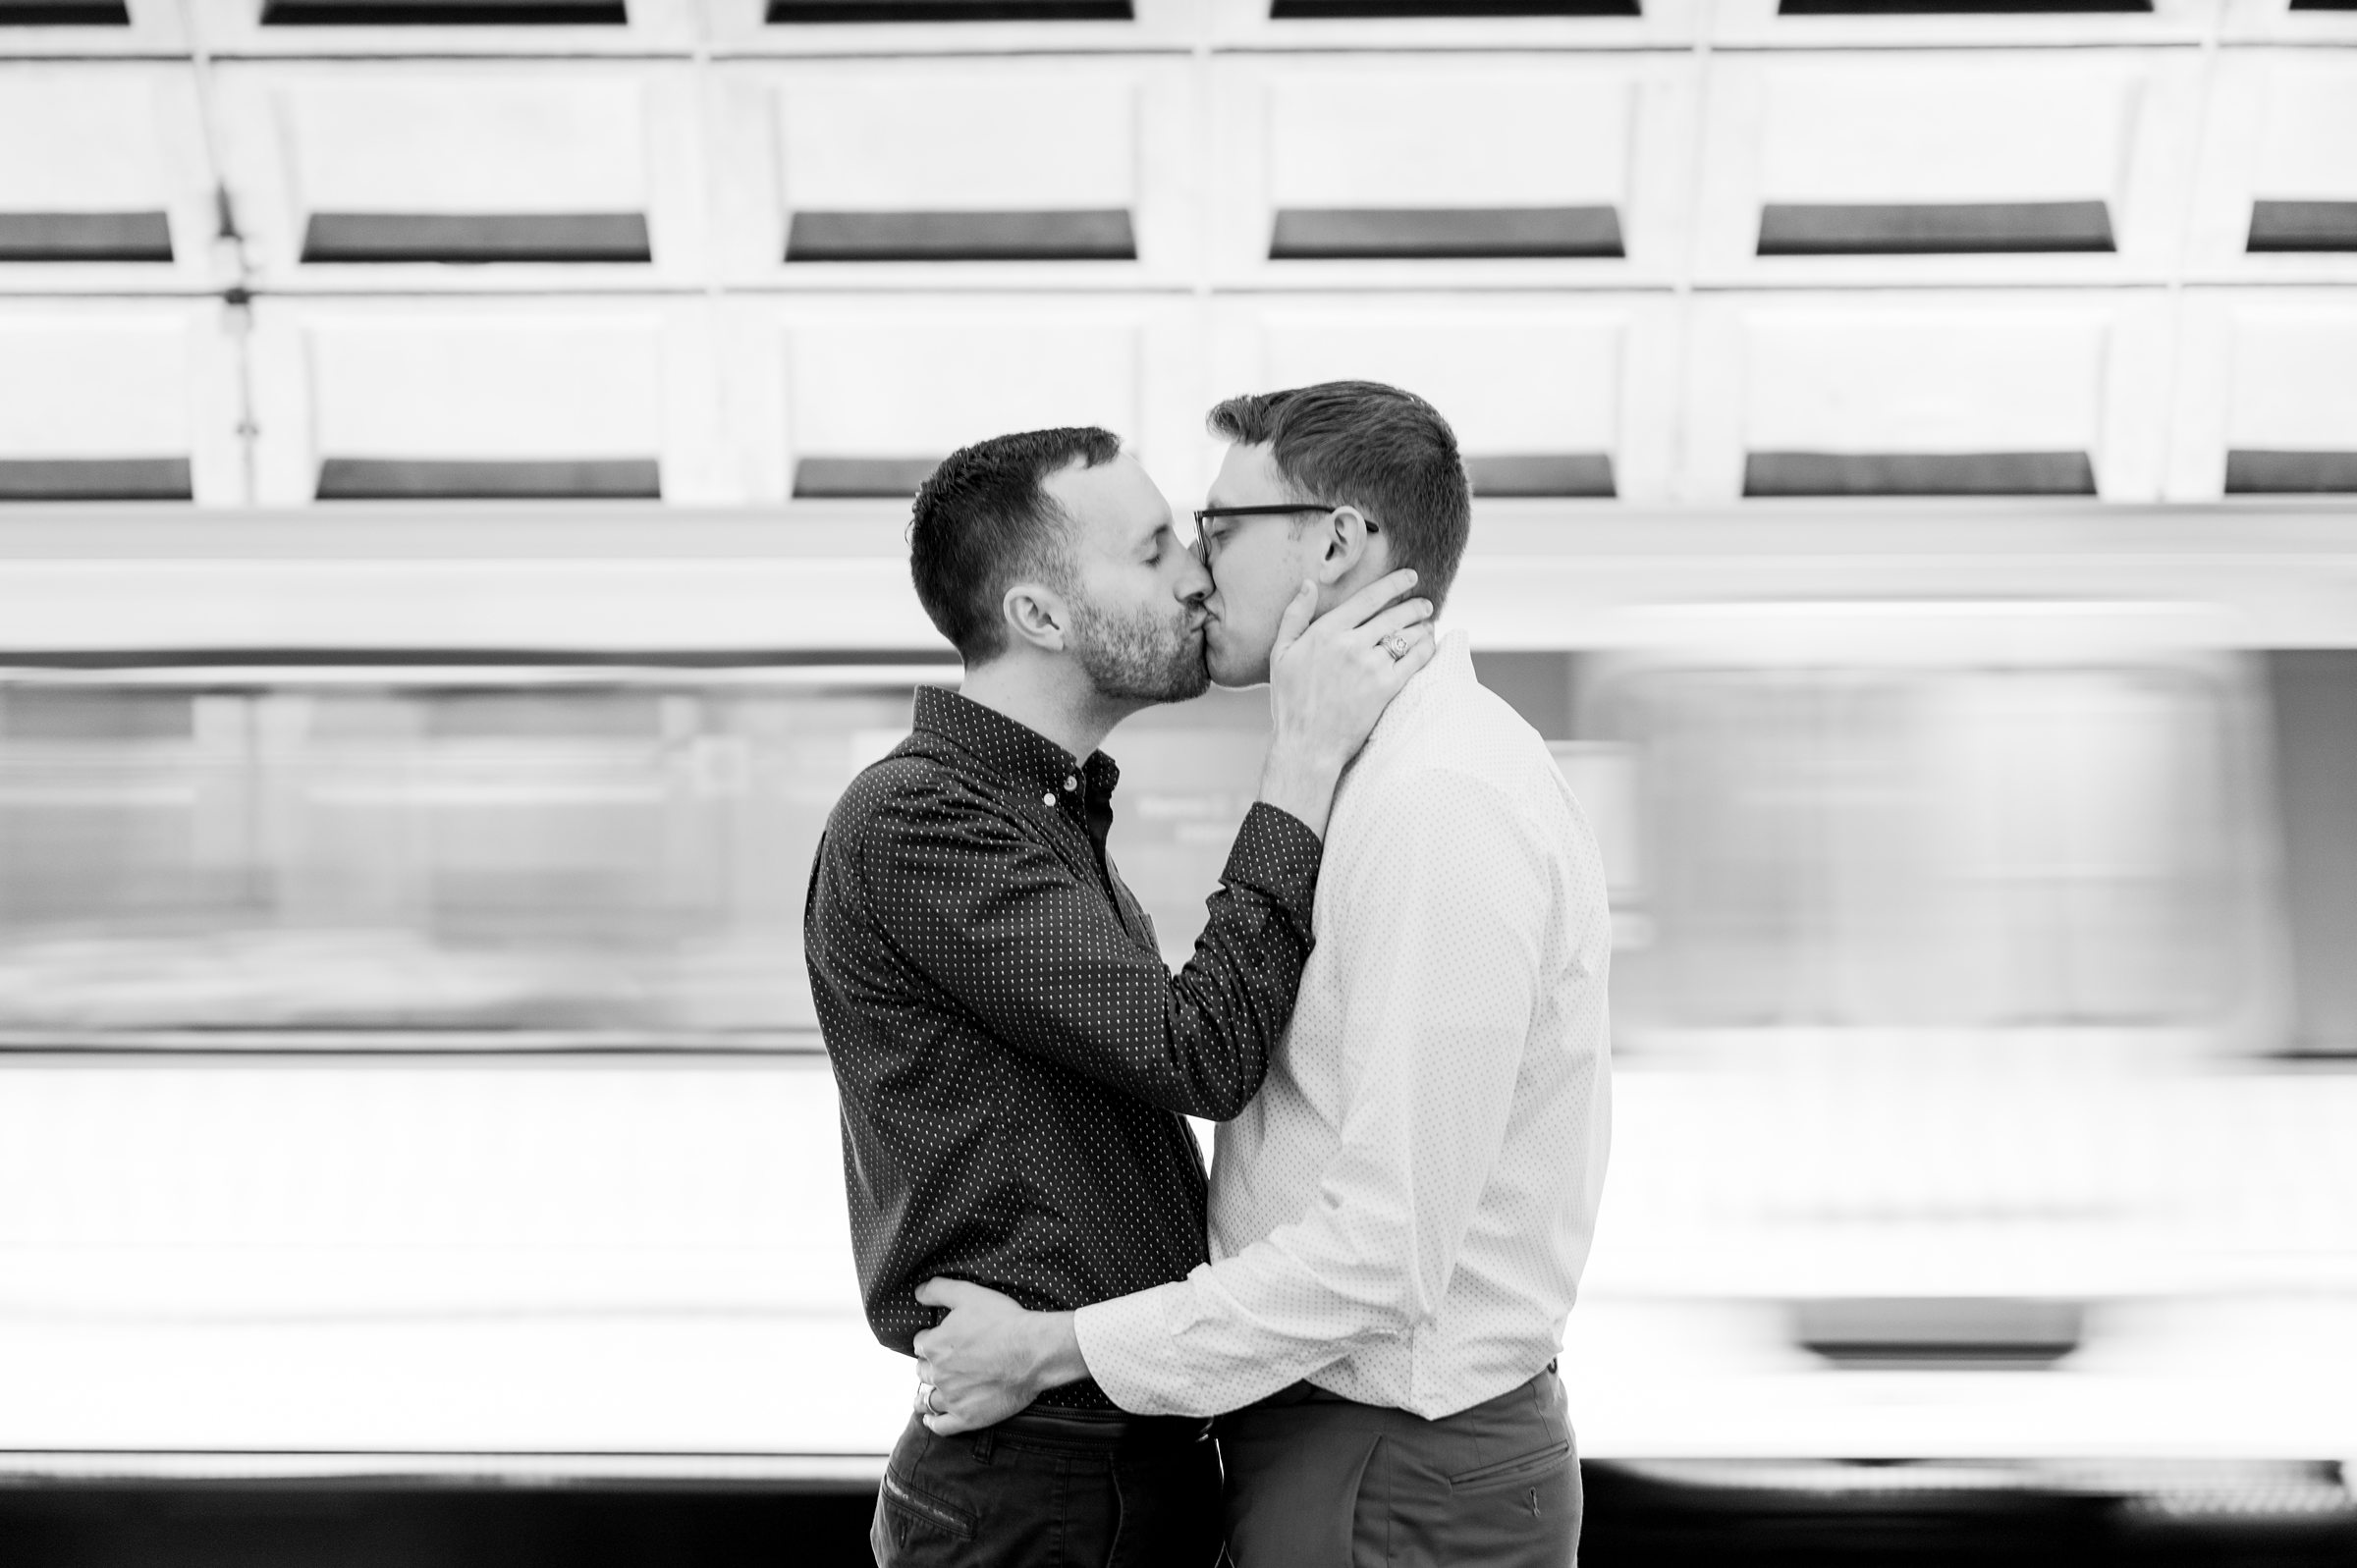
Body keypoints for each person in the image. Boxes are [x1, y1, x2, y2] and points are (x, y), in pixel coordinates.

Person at [908, 384, 1615, 1568]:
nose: (1195, 566)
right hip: (1344, 1445)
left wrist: (1058, 1346)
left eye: (1218, 527)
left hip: (1388, 1461)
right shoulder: (1378, 775)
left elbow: (1383, 1254)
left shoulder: (1440, 803)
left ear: (1333, 541)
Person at [802, 423, 1438, 1568]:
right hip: (1035, 1483)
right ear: (1040, 616)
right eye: (1152, 552)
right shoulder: (919, 819)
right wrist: (1297, 759)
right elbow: (1199, 1050)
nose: (1195, 571)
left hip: (1101, 1457)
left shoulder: (1048, 817)